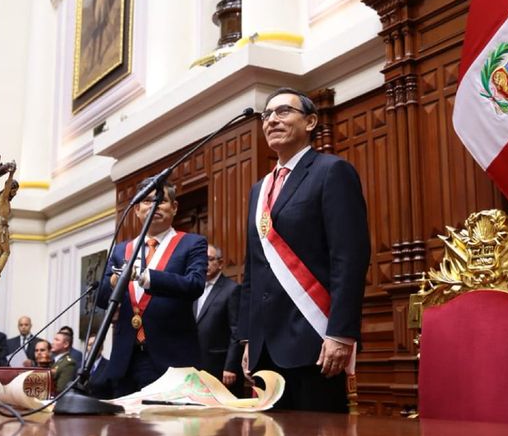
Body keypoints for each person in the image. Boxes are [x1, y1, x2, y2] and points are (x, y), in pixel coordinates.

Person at [239, 88, 370, 413]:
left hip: (315, 340)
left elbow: (349, 258)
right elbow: (252, 271)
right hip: (265, 347)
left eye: (283, 111)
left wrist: (340, 333)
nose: (272, 120)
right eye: (267, 115)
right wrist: (247, 339)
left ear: (311, 121)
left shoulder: (331, 172)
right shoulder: (260, 190)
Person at [97, 179, 207, 396]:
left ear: (174, 208)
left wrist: (149, 278)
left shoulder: (192, 243)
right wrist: (112, 282)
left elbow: (195, 285)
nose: (153, 206)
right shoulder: (122, 250)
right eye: (147, 201)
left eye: (161, 201)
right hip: (125, 359)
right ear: (137, 209)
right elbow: (101, 300)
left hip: (171, 358)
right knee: (123, 427)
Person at [194, 244, 243, 393]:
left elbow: (236, 331)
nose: (205, 264)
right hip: (195, 367)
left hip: (220, 367)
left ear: (220, 263)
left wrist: (230, 366)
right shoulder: (194, 288)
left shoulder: (232, 289)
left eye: (209, 259)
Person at [0, 165, 18, 284]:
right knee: (6, 252)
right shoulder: (3, 197)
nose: (15, 193)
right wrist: (11, 174)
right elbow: (7, 186)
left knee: (0, 252)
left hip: (0, 225)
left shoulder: (4, 200)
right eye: (14, 190)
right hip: (0, 226)